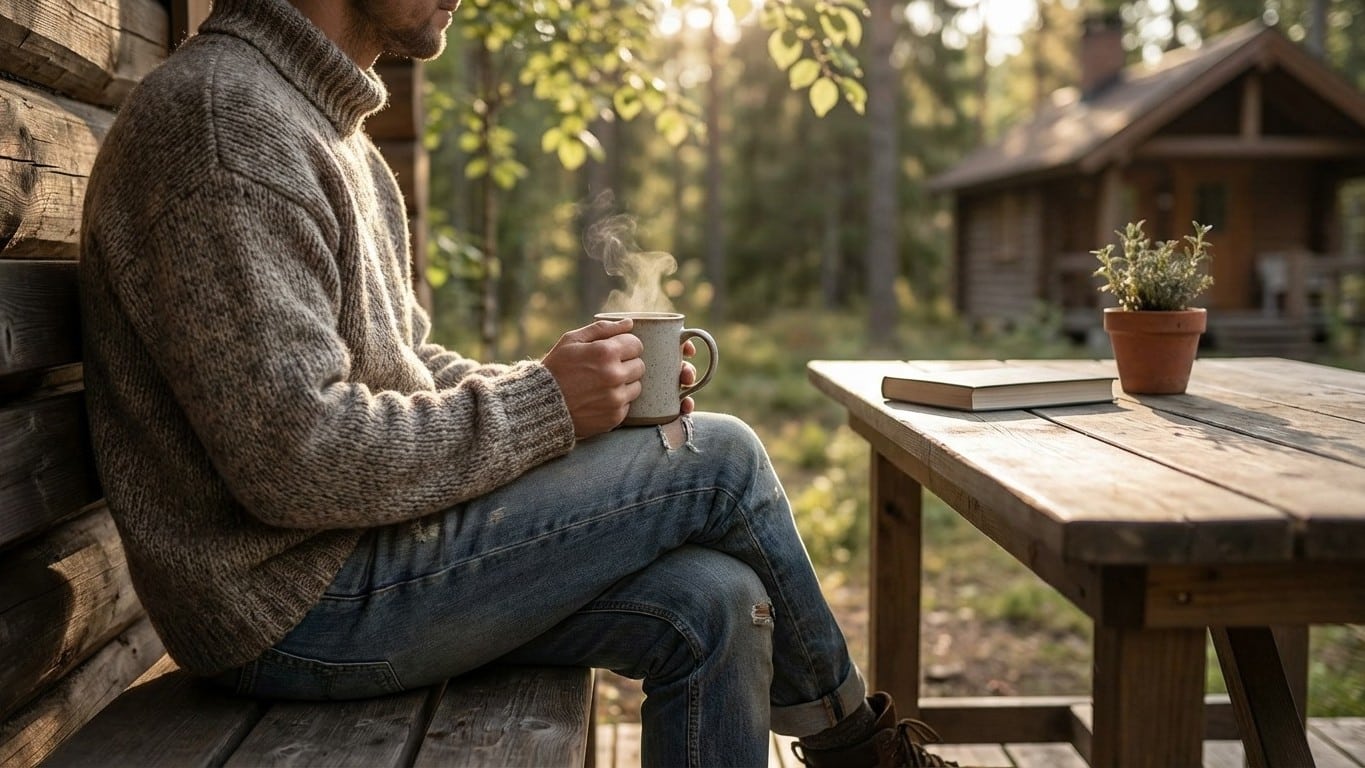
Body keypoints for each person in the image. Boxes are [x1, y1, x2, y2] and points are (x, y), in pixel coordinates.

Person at [77, 0, 958, 766]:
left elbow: (408, 371)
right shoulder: (222, 126)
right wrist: (544, 407)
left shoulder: (322, 128)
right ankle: (858, 755)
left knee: (716, 602)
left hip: (359, 557)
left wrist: (572, 394)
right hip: (288, 607)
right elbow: (298, 459)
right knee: (719, 455)